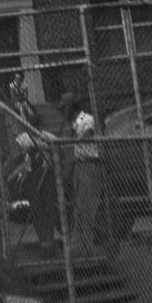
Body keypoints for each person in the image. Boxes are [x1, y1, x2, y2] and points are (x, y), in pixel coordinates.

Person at [5, 112, 59, 257]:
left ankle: (50, 243)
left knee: (48, 208)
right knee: (36, 210)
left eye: (35, 125)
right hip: (32, 176)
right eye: (30, 125)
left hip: (47, 175)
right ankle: (44, 243)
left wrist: (47, 150)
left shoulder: (48, 137)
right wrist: (25, 153)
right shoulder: (23, 139)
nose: (33, 128)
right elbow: (14, 159)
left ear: (39, 126)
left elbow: (59, 153)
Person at [56, 91, 103, 258]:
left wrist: (71, 136)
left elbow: (87, 133)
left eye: (64, 109)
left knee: (85, 209)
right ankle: (84, 249)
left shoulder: (86, 120)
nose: (62, 113)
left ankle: (82, 249)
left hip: (90, 165)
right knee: (79, 210)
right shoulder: (73, 123)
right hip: (80, 166)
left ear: (71, 107)